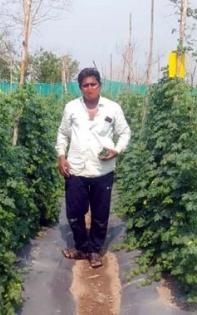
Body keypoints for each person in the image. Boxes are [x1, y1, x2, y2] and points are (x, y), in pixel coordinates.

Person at [55, 67, 131, 268]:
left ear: (100, 85)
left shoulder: (112, 108)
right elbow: (62, 135)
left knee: (100, 214)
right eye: (85, 85)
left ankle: (95, 250)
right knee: (74, 212)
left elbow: (124, 132)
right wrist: (61, 157)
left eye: (93, 84)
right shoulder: (71, 107)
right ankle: (81, 248)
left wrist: (117, 150)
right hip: (76, 169)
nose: (89, 88)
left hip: (102, 170)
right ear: (80, 87)